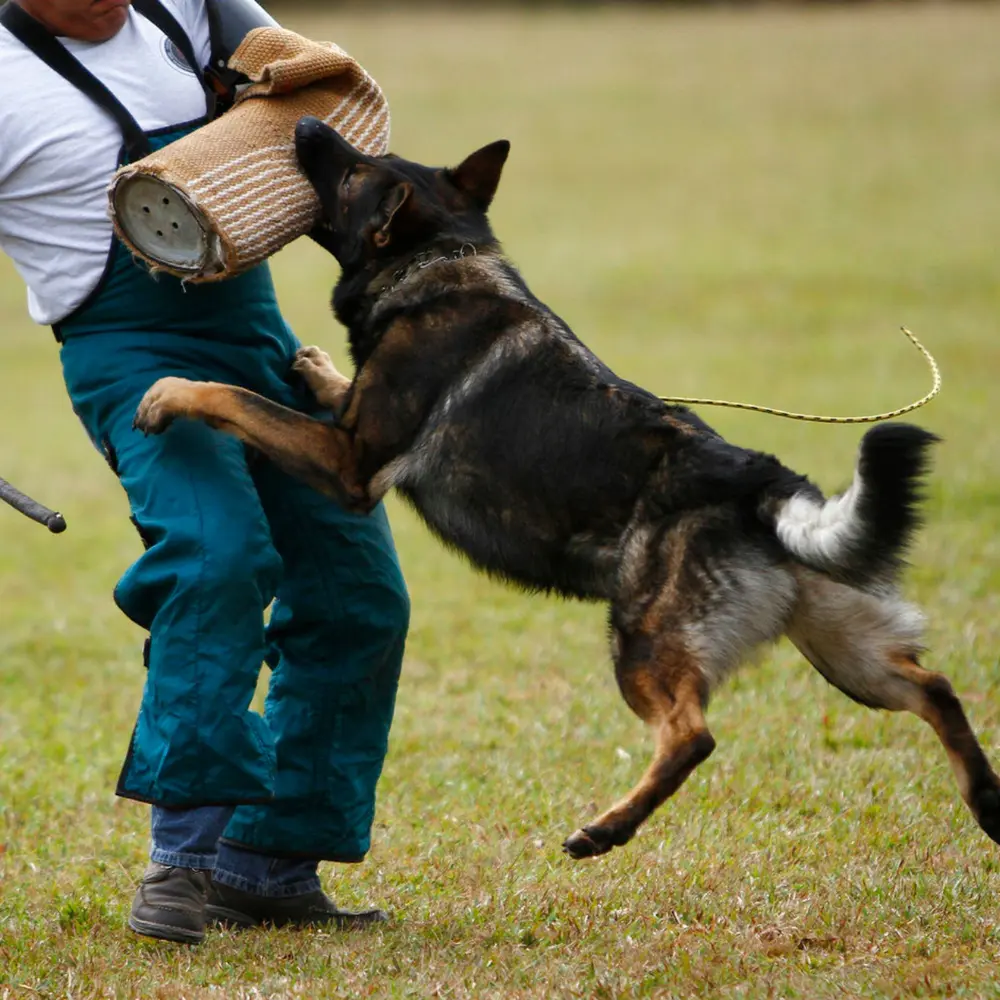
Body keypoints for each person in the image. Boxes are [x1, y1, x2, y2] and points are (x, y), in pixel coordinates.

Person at [0, 0, 410, 945]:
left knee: (358, 595)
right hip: (126, 353)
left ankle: (266, 865)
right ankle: (182, 859)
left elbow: (314, 82)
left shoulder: (183, 3)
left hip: (254, 335)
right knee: (216, 558)